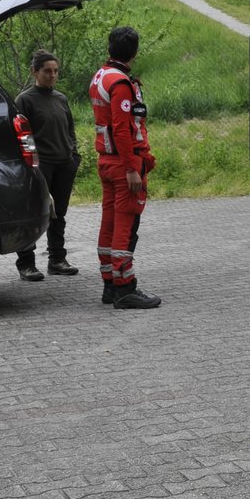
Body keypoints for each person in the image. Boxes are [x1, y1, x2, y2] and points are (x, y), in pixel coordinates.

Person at [89, 26, 161, 309]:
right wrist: (133, 168)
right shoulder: (120, 83)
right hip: (123, 165)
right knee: (124, 225)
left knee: (108, 223)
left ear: (110, 48)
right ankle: (124, 287)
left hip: (107, 161)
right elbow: (121, 128)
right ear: (135, 52)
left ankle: (109, 283)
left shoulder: (100, 77)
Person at [14, 49, 81, 281]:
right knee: (32, 213)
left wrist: (74, 155)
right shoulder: (24, 100)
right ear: (35, 71)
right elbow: (20, 135)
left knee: (58, 215)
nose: (52, 75)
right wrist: (31, 165)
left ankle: (57, 260)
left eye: (55, 71)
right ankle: (26, 264)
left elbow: (70, 128)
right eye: (47, 71)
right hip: (40, 166)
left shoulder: (60, 98)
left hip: (64, 164)